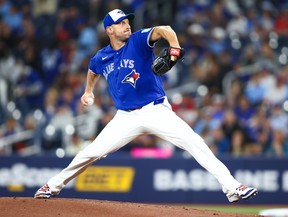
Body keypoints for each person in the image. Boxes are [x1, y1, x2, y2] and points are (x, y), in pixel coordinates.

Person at [34, 9, 258, 203]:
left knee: (194, 142)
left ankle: (232, 187)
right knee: (91, 152)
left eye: (127, 21)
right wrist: (88, 90)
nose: (126, 25)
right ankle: (52, 186)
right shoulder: (101, 57)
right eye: (120, 23)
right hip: (125, 118)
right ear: (109, 30)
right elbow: (93, 71)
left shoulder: (138, 40)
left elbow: (164, 29)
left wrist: (174, 47)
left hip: (155, 110)